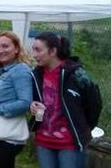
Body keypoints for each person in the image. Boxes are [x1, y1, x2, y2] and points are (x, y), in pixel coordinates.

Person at [30, 32, 102, 168]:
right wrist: (32, 105)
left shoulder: (77, 75)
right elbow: (35, 99)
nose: (34, 55)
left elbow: (94, 105)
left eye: (38, 50)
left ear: (53, 51)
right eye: (33, 49)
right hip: (44, 141)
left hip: (70, 143)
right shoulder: (36, 74)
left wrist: (82, 128)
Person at [0, 31, 32, 168]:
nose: (1, 50)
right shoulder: (1, 71)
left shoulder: (20, 70)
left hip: (7, 136)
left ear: (16, 49)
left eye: (5, 46)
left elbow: (25, 102)